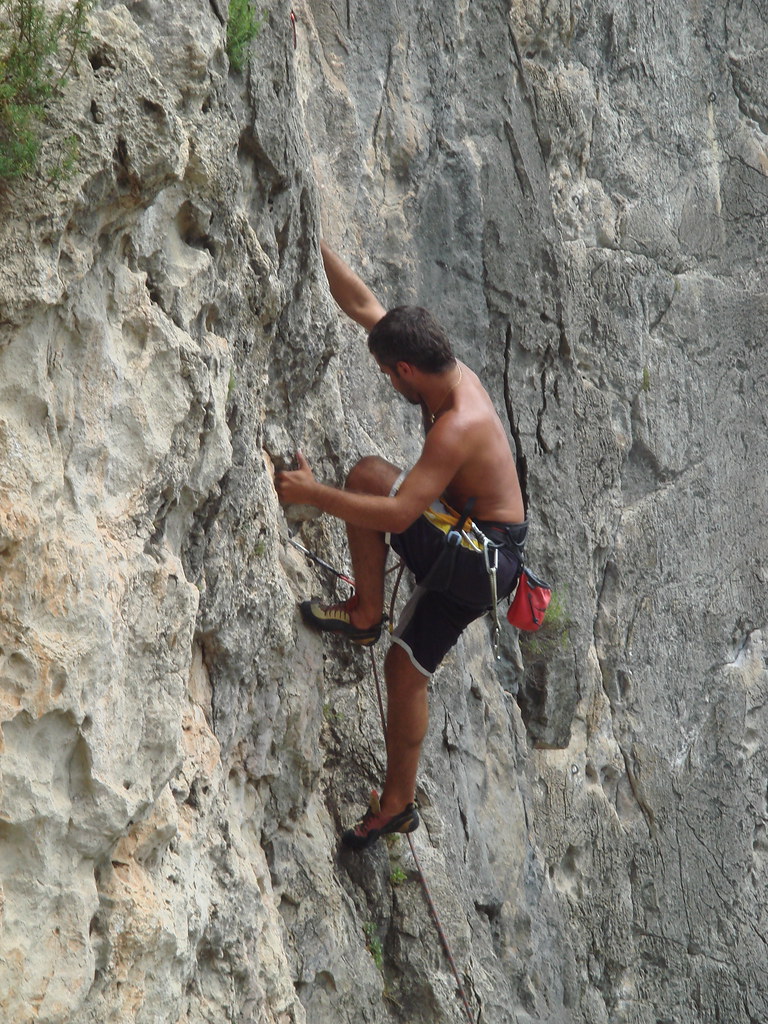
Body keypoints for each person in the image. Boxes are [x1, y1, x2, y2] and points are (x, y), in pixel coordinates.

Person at [276, 241, 527, 850]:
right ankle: (396, 806)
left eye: (389, 374)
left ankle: (365, 613)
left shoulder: (456, 425)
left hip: (476, 556)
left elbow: (397, 511)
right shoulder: (439, 370)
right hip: (491, 558)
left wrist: (314, 493)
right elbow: (363, 302)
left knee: (365, 476)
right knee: (405, 670)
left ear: (407, 370)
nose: (388, 380)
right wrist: (311, 242)